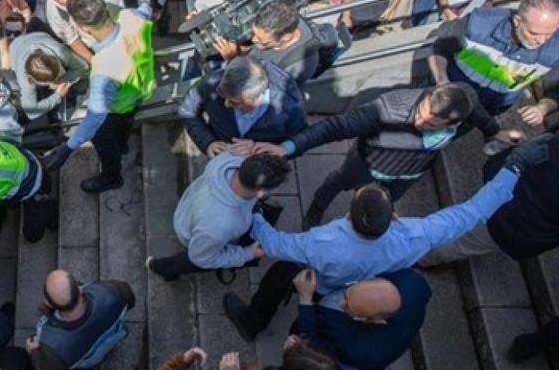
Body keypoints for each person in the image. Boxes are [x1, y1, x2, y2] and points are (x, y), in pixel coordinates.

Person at [223, 137, 547, 340]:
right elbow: (474, 211)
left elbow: (276, 244)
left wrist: (254, 213)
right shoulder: (418, 234)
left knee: (278, 278)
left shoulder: (321, 242)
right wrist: (513, 169)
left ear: (350, 214)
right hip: (354, 286)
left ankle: (252, 322)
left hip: (322, 278)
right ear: (391, 216)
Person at [254, 83, 517, 228]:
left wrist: (495, 131)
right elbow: (335, 127)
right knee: (337, 182)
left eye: (429, 124)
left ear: (451, 123)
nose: (418, 121)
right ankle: (316, 208)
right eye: (420, 112)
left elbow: (479, 114)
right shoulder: (387, 109)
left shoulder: (464, 99)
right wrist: (288, 148)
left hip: (408, 174)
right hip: (368, 165)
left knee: (385, 202)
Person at [43, 0, 156, 193]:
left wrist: (67, 148)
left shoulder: (104, 69)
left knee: (104, 141)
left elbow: (94, 118)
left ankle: (112, 177)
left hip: (116, 107)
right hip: (141, 90)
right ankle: (122, 146)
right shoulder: (131, 17)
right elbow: (146, 9)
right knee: (125, 124)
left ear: (84, 28)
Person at [146, 153, 290, 280]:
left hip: (191, 208)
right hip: (197, 236)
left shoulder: (233, 157)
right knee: (191, 259)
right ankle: (160, 267)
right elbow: (200, 258)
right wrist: (247, 254)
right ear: (260, 192)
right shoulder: (220, 226)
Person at [423, 133, 558, 265]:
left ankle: (422, 250)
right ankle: (420, 257)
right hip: (517, 222)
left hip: (516, 190)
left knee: (464, 231)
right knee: (462, 243)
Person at [428, 0, 559, 115]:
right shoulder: (479, 24)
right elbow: (439, 44)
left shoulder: (555, 49)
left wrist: (544, 108)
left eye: (549, 34)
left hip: (488, 109)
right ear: (517, 21)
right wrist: (442, 80)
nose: (541, 41)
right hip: (449, 93)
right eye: (533, 33)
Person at [291, 267, 431, 370]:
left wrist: (305, 298)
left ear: (375, 321)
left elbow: (314, 348)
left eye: (348, 307)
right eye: (348, 293)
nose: (341, 302)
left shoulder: (352, 348)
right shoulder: (412, 282)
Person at [179, 57, 307, 158]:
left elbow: (298, 143)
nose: (226, 104)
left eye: (235, 102)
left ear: (258, 96)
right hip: (221, 155)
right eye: (223, 95)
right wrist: (207, 143)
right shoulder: (210, 82)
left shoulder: (291, 109)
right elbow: (187, 109)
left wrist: (260, 151)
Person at [26, 269, 136, 370]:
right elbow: (130, 301)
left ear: (49, 303)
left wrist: (34, 351)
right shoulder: (114, 291)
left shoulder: (55, 350)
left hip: (87, 359)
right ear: (78, 288)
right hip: (112, 335)